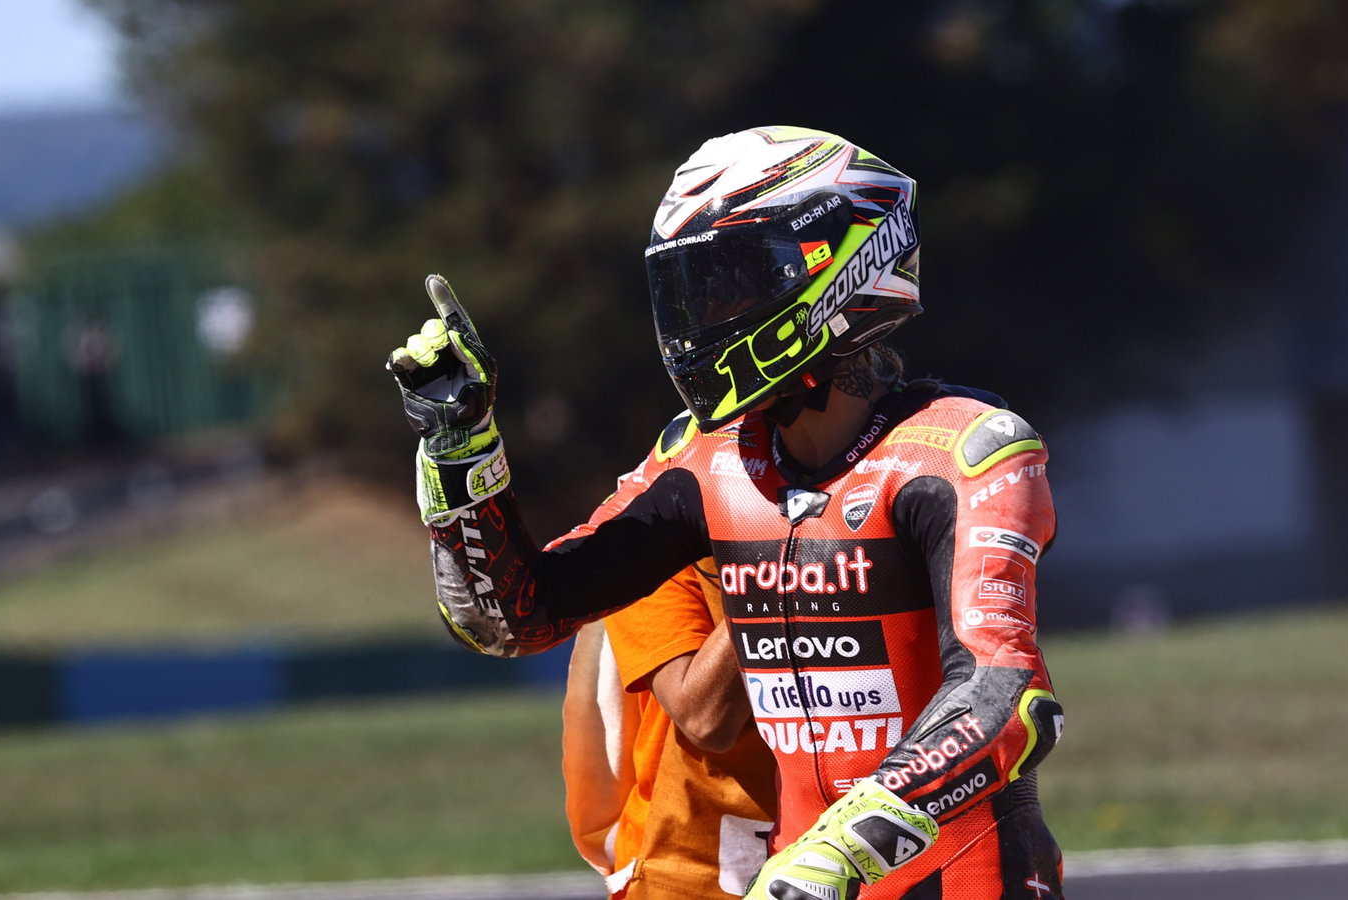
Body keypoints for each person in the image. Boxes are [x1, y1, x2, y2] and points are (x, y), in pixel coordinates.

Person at [388, 126, 1066, 899]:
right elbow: (511, 618)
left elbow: (1005, 698)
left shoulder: (966, 449)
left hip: (955, 879)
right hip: (797, 882)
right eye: (690, 290)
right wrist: (460, 449)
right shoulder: (706, 460)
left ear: (839, 268)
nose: (702, 318)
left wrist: (841, 851)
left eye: (732, 283)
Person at [562, 561, 778, 898]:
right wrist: (786, 569)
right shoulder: (650, 536)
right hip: (695, 863)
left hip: (850, 838)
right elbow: (704, 719)